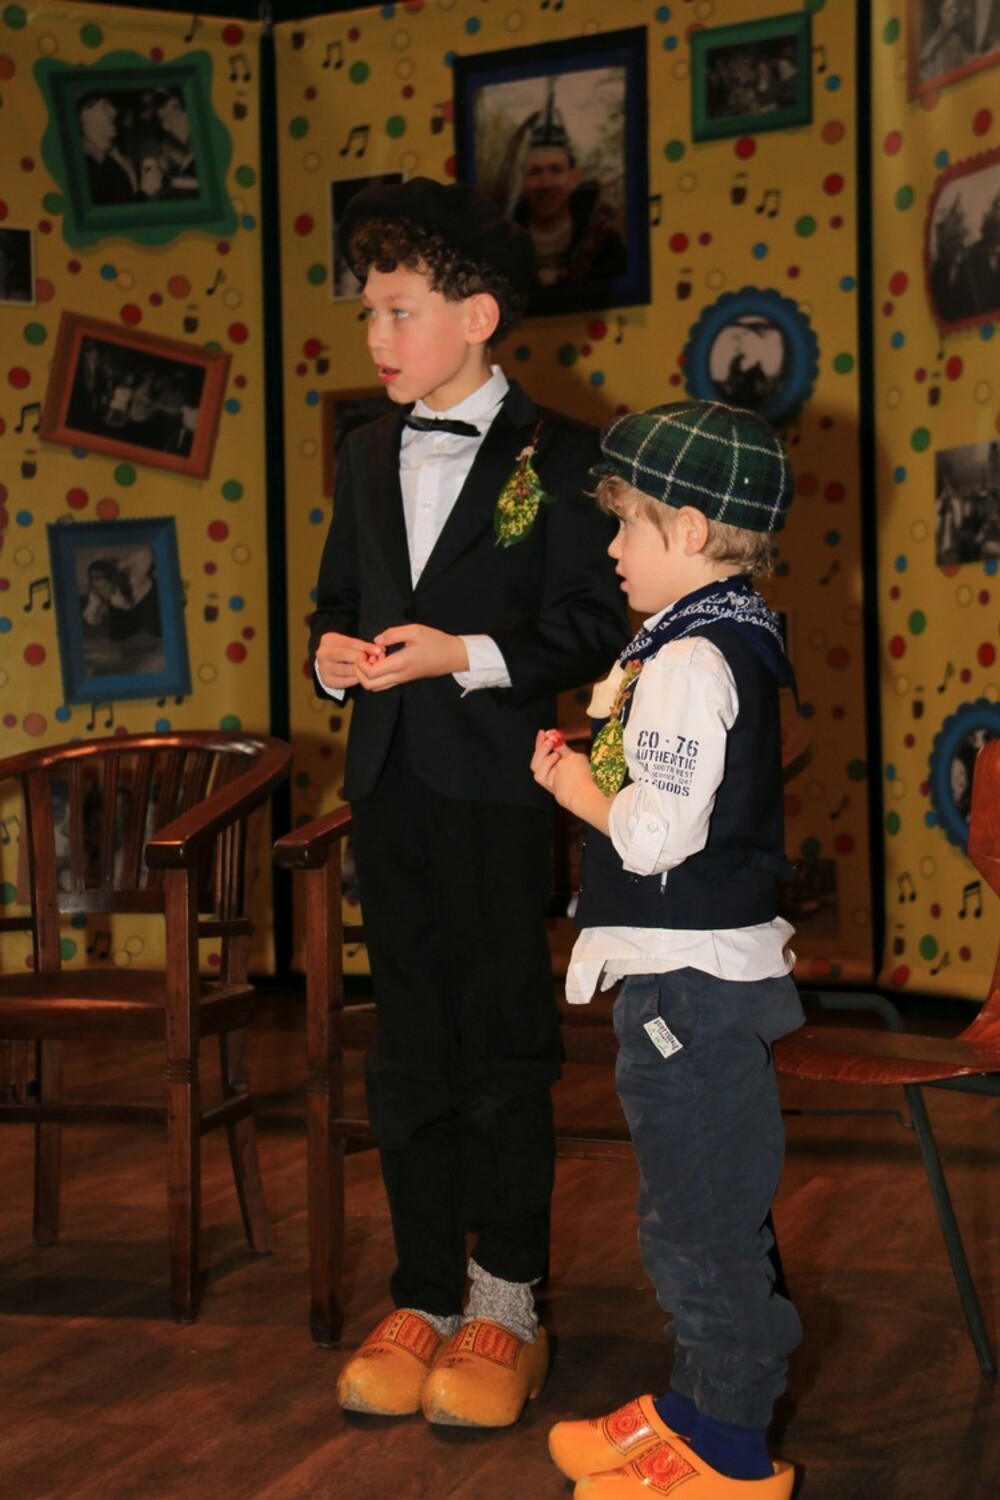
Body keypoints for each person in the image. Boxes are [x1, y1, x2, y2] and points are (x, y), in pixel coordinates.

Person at [309, 176, 628, 1429]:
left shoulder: (566, 454)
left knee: (499, 1041)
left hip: (499, 785)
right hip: (388, 780)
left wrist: (469, 655)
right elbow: (336, 600)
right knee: (406, 1047)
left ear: (478, 315)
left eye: (398, 311)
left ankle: (507, 1299)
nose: (376, 337)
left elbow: (594, 622)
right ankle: (425, 1293)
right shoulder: (362, 451)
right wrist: (329, 656)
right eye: (369, 314)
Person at [532, 399, 804, 1499]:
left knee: (700, 1225)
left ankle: (730, 1454)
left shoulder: (687, 658)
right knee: (692, 1206)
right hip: (695, 981)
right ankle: (694, 1413)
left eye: (626, 524)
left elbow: (653, 833)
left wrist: (573, 786)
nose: (611, 548)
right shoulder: (717, 638)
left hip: (687, 990)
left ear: (689, 531)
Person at [509, 84, 627, 288]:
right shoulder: (503, 244)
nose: (546, 184)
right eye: (535, 172)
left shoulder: (605, 239)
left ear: (573, 178)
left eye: (555, 170)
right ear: (522, 183)